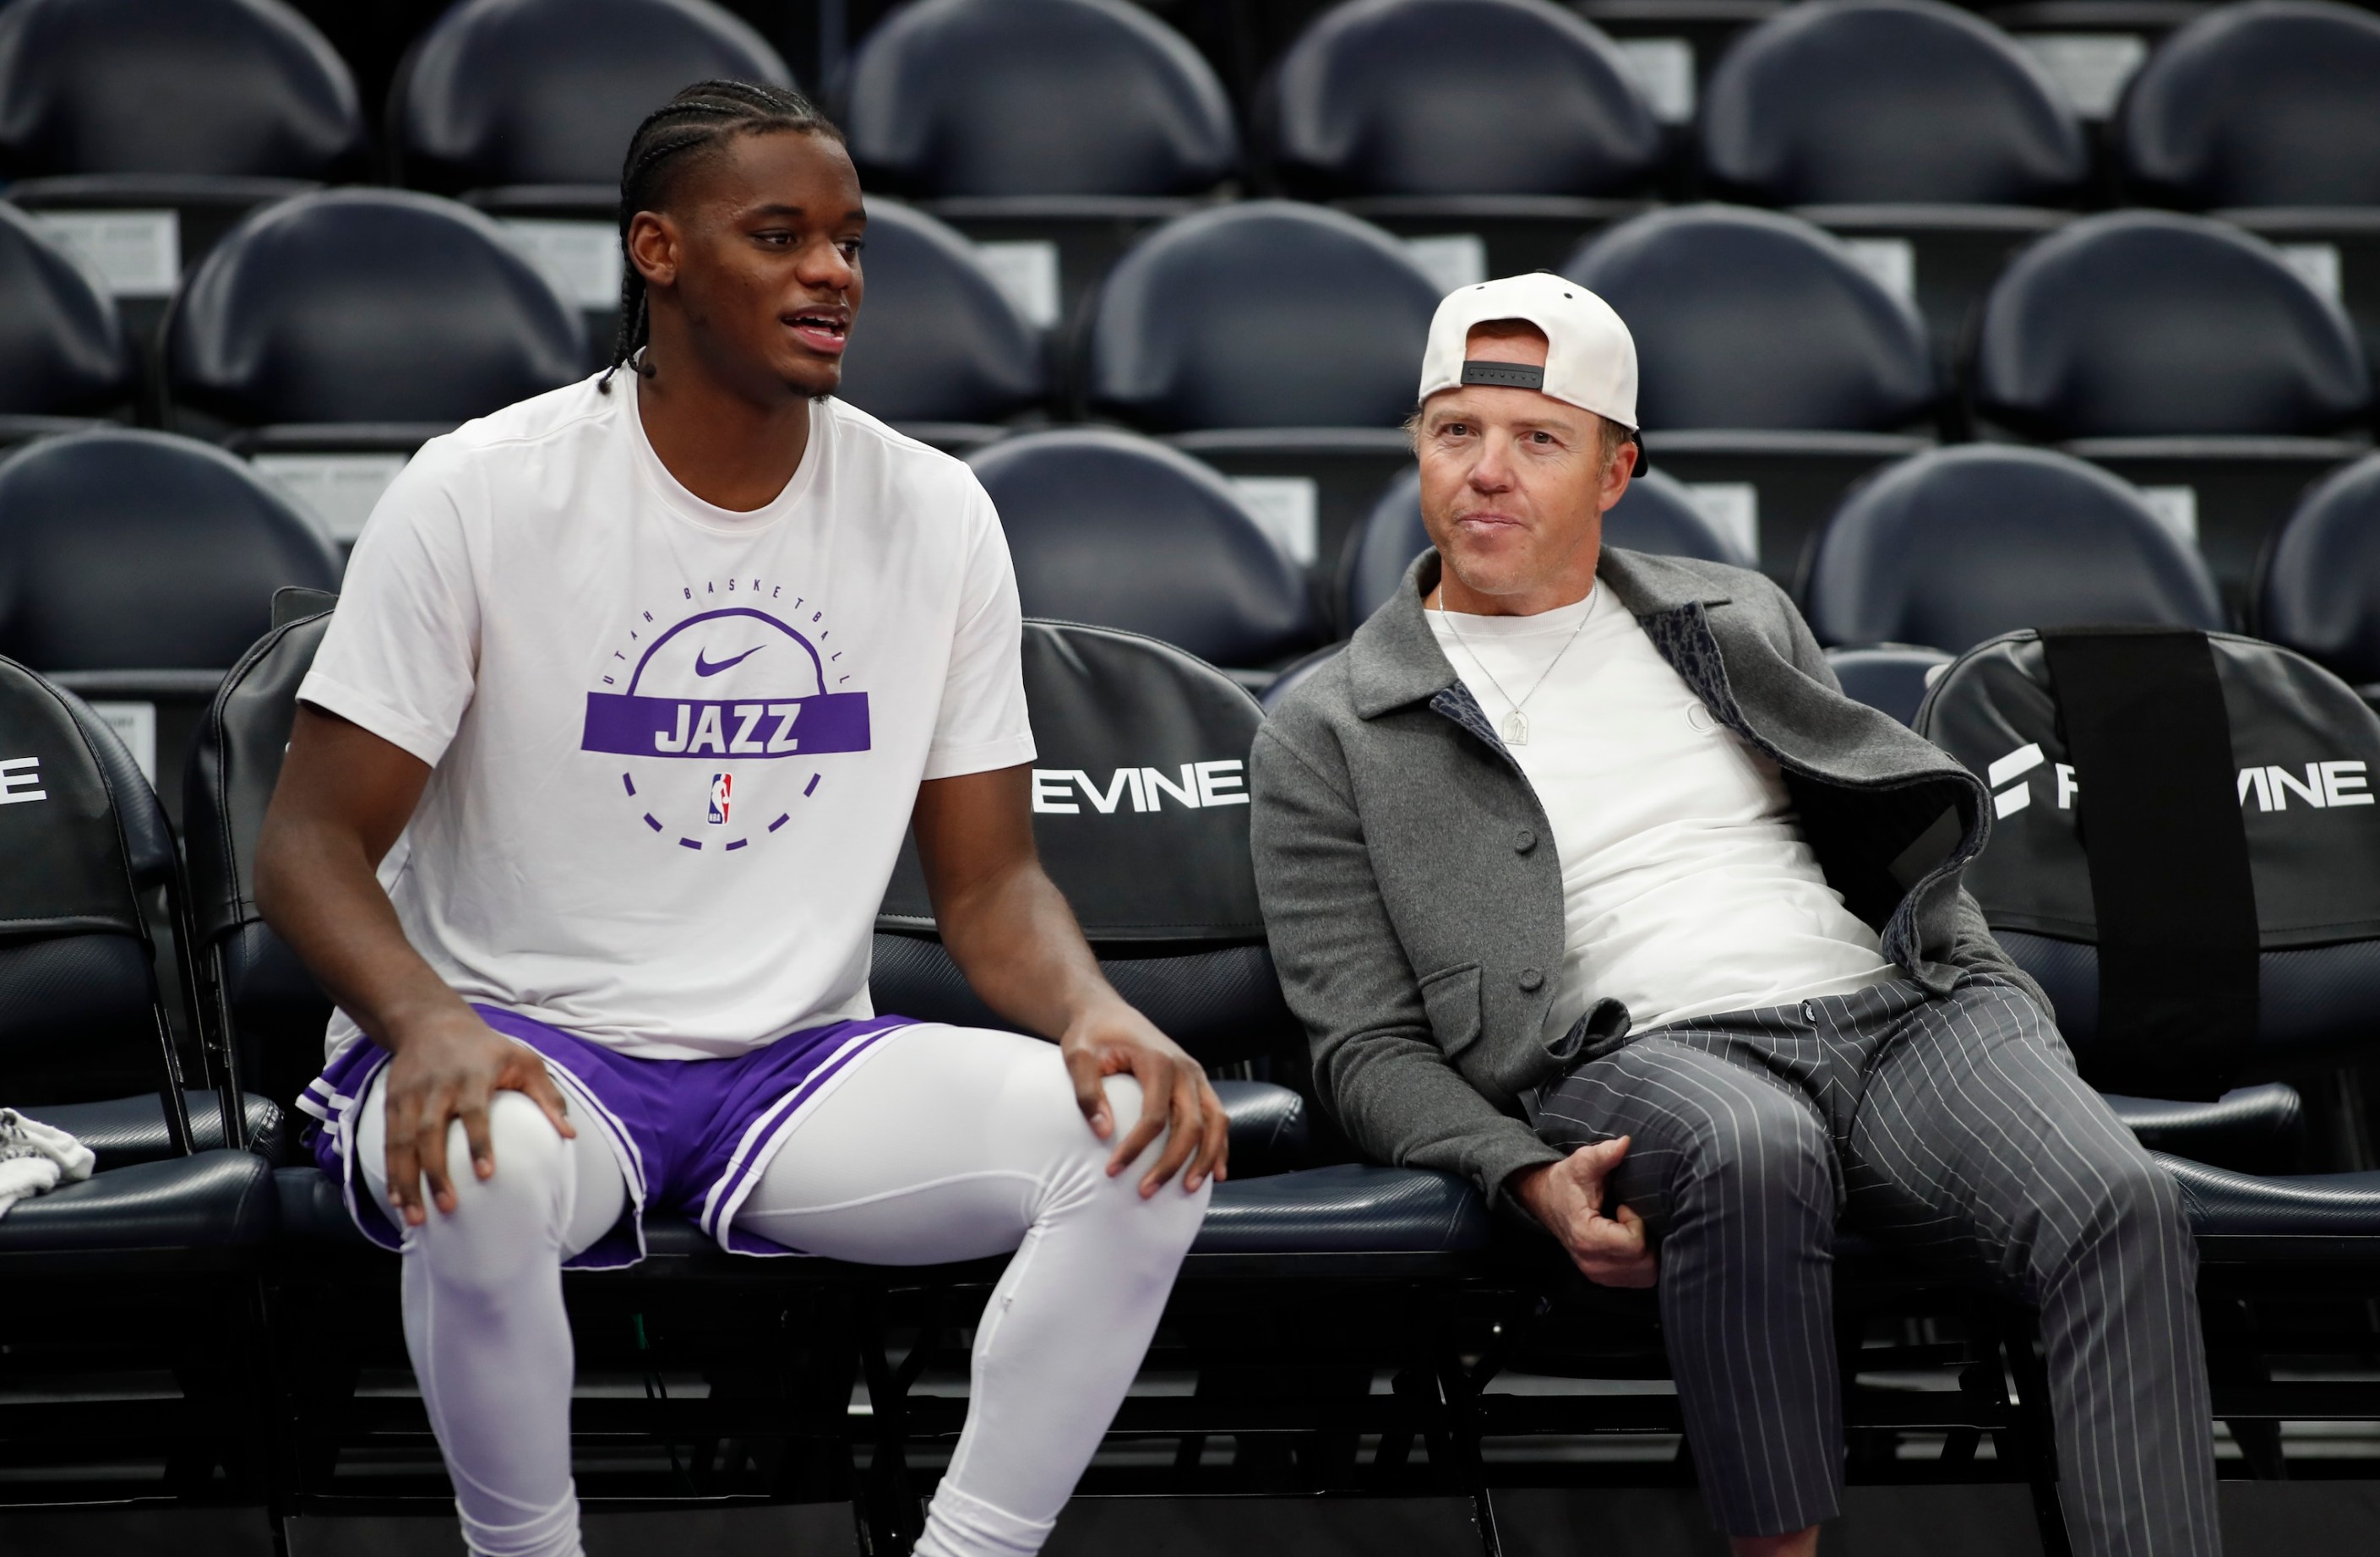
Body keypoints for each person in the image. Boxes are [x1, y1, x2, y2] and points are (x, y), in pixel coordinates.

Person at [257, 80, 1226, 1557]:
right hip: (522, 1040)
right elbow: (306, 847)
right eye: (777, 235)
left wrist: (1094, 1012)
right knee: (483, 1160)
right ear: (658, 253)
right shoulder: (481, 491)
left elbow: (992, 890)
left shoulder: (940, 510)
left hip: (795, 1065)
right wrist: (424, 1022)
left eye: (848, 240)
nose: (831, 272)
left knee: (1137, 1140)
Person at [1246, 273, 2219, 1557]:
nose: (1485, 471)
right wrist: (1520, 1172)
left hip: (1897, 1016)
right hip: (1637, 1057)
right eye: (1454, 432)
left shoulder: (1736, 615)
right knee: (1752, 1147)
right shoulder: (1328, 722)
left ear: (1614, 472)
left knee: (2122, 1204)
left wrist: (1974, 977)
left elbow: (1877, 842)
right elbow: (1361, 1049)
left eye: (1537, 439)